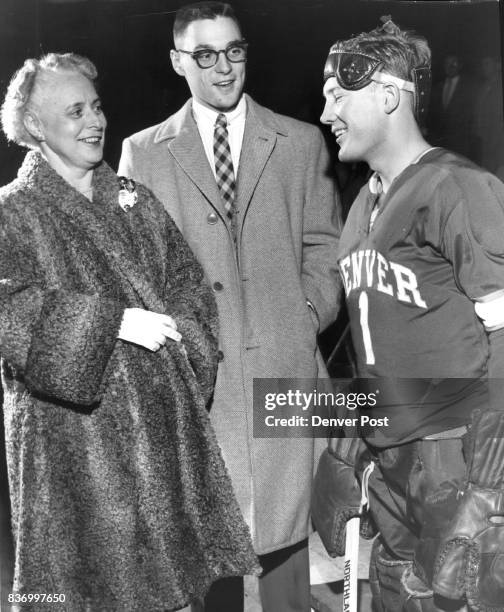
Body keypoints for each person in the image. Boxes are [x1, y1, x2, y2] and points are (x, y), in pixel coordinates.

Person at [0, 52, 259, 612]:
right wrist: (110, 322)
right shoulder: (12, 214)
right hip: (74, 445)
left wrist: (185, 338)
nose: (95, 120)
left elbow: (191, 287)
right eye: (75, 111)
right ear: (35, 127)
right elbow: (8, 308)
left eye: (96, 106)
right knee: (86, 592)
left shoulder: (137, 203)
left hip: (162, 438)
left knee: (178, 592)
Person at [118, 2, 341, 610]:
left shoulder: (300, 142)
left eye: (234, 51)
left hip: (285, 370)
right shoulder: (144, 152)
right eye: (206, 55)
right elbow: (134, 272)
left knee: (288, 543)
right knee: (205, 548)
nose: (224, 68)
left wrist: (305, 311)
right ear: (177, 62)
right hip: (198, 384)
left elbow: (326, 245)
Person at [320, 17, 504, 612]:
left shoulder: (459, 186)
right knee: (397, 597)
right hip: (391, 458)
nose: (326, 114)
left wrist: (488, 485)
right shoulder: (363, 202)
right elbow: (370, 338)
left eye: (336, 95)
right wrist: (349, 441)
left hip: (452, 455)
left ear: (389, 95)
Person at [428, 53, 478, 161]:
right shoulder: (437, 87)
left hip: (460, 143)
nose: (450, 66)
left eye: (454, 63)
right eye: (447, 63)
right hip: (440, 143)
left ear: (460, 66)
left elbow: (474, 115)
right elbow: (433, 114)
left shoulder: (470, 87)